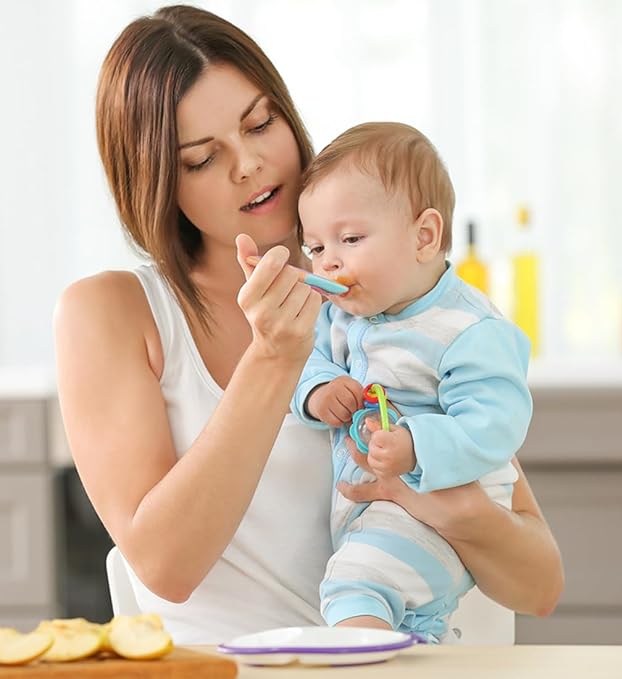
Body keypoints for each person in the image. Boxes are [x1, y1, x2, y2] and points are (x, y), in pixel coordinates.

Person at [53, 5, 563, 645]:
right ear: (156, 182)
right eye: (203, 158)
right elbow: (165, 567)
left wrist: (436, 501)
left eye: (261, 123)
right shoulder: (113, 313)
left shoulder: (381, 293)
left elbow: (538, 585)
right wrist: (274, 359)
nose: (249, 164)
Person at [291, 122, 530, 642]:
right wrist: (317, 391)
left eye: (349, 239)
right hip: (371, 513)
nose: (328, 261)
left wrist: (416, 446)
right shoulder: (341, 317)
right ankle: (419, 642)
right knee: (396, 609)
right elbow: (303, 361)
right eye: (313, 248)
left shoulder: (467, 328)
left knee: (352, 590)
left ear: (424, 237)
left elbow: (496, 424)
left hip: (438, 511)